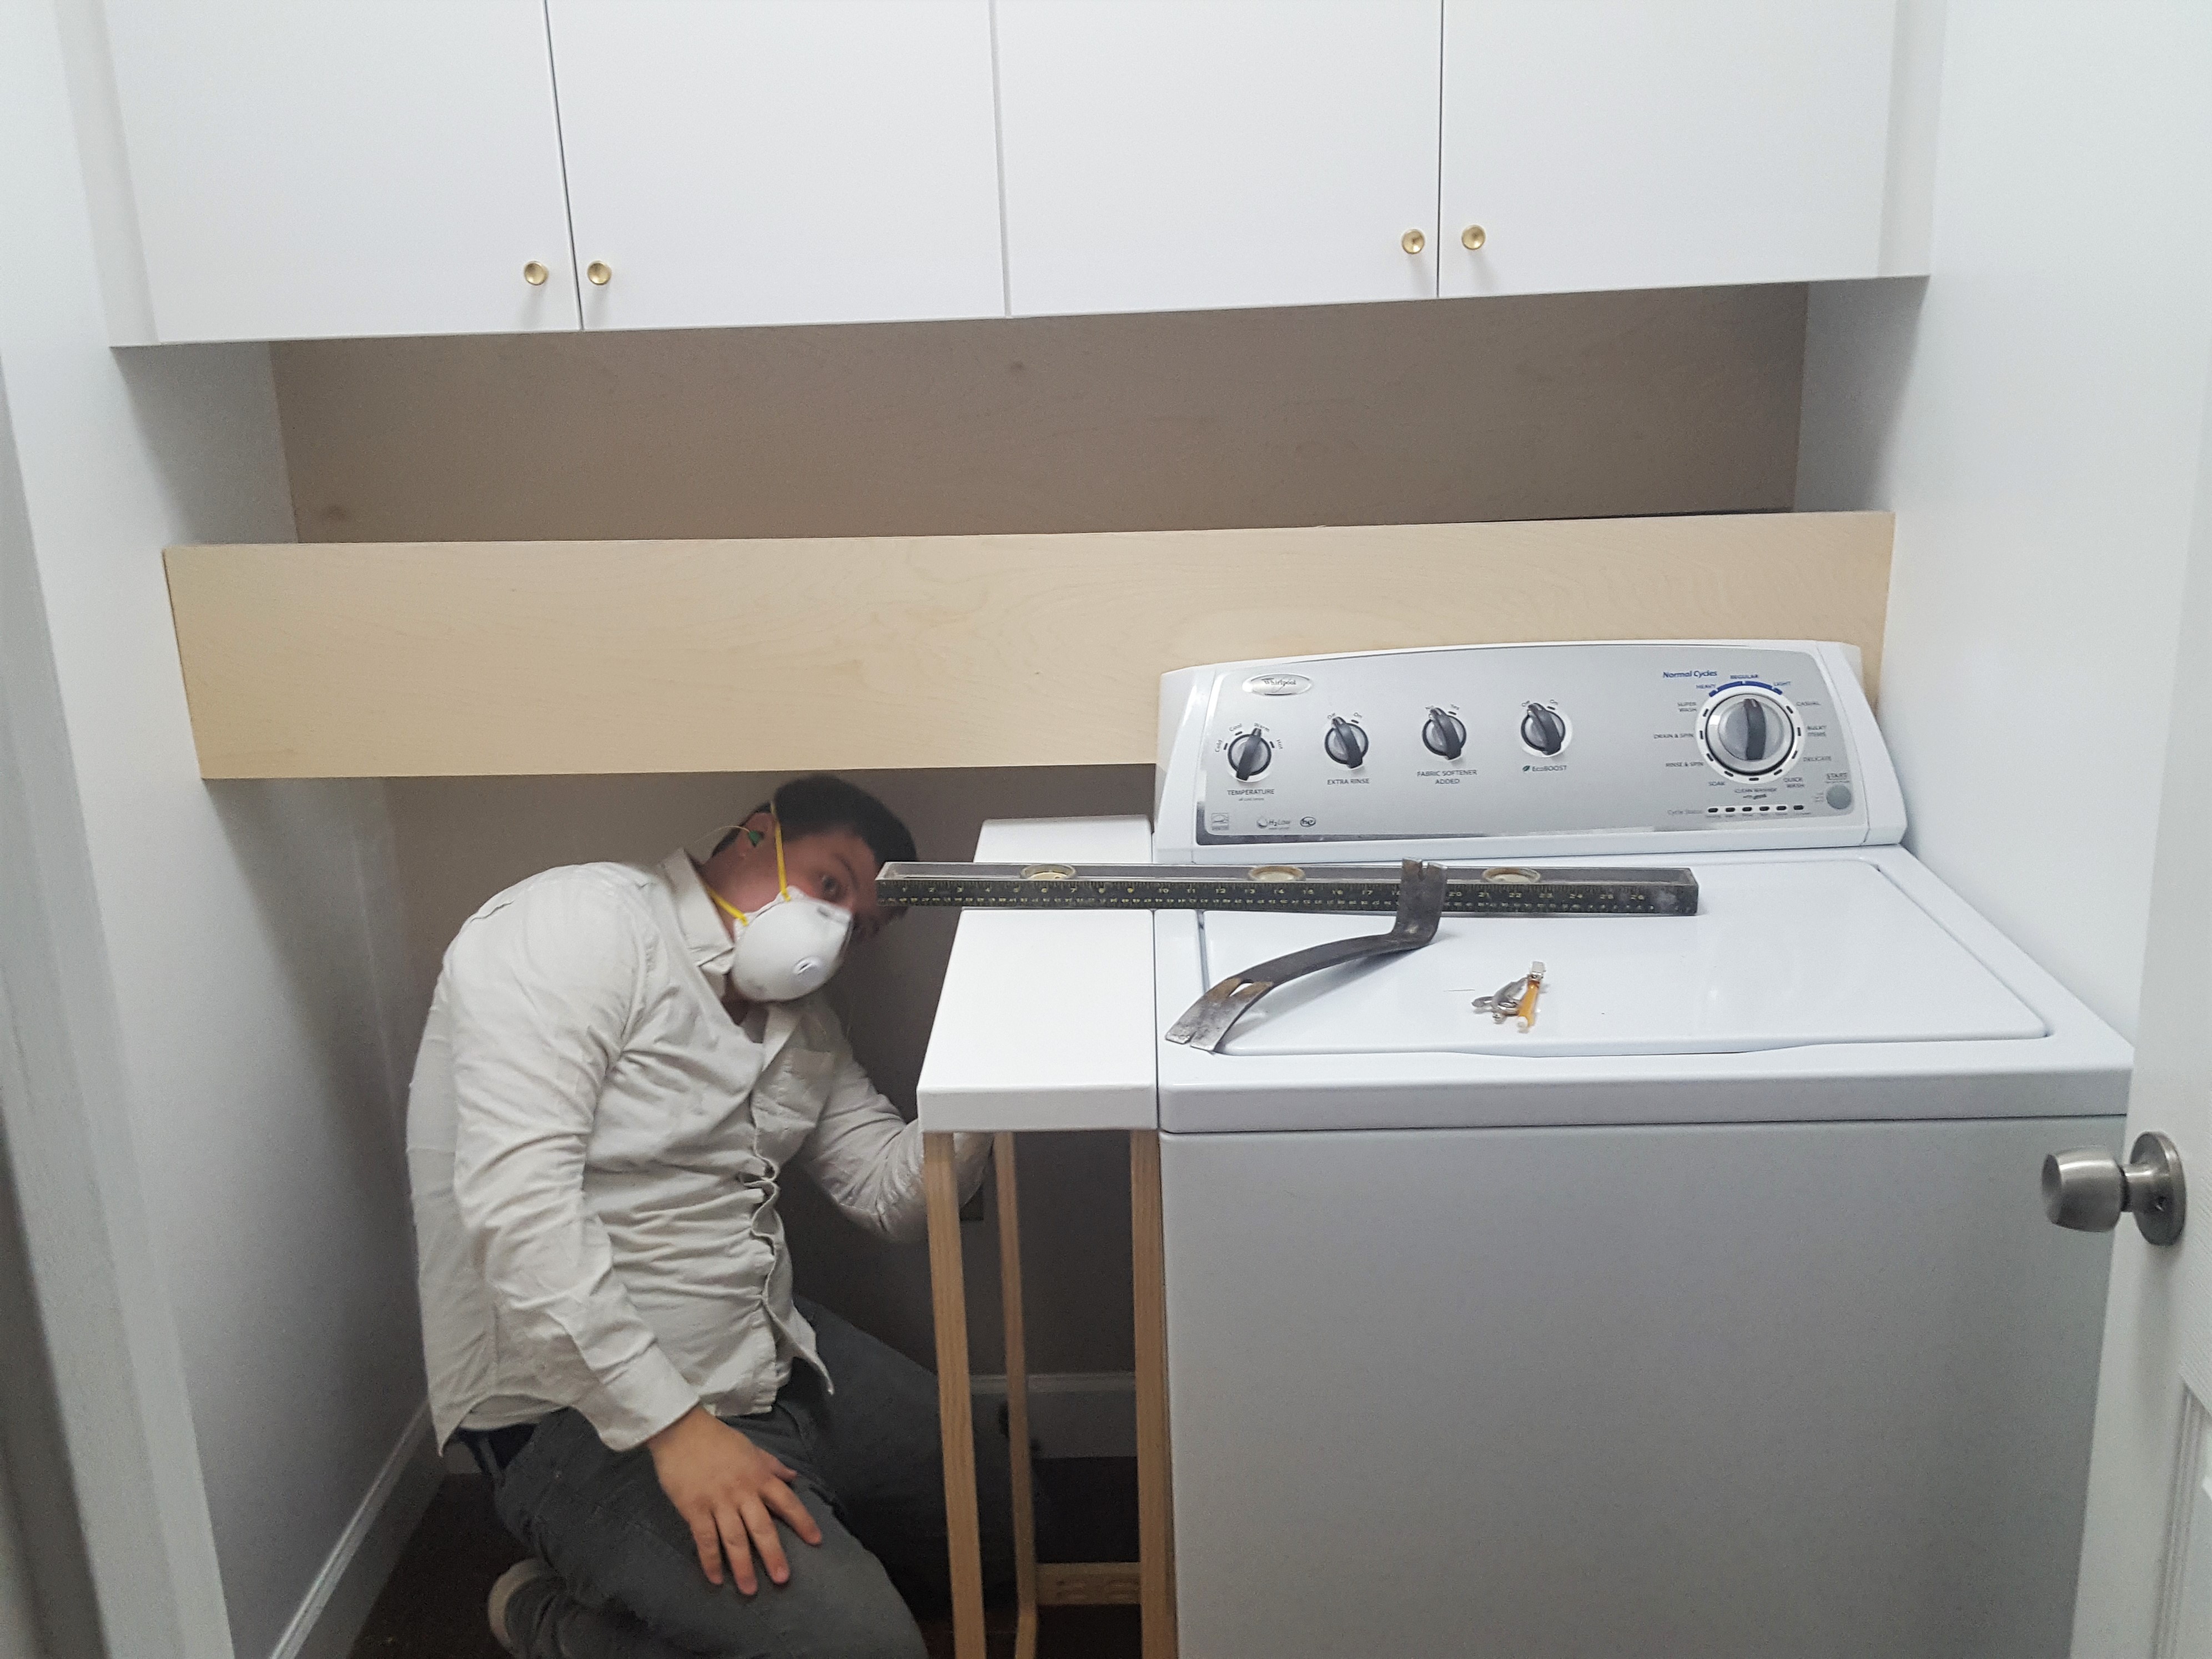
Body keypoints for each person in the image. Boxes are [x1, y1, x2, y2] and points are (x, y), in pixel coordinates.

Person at [405, 775, 1014, 1659]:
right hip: (575, 1410)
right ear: (751, 838)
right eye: (831, 885)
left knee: (1001, 1534)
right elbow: (518, 1204)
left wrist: (994, 1065)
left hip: (766, 1347)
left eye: (863, 925)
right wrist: (677, 1432)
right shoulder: (583, 924)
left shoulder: (803, 1027)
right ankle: (556, 1624)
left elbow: (890, 1193)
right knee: (868, 1653)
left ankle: (778, 1542)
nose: (838, 930)